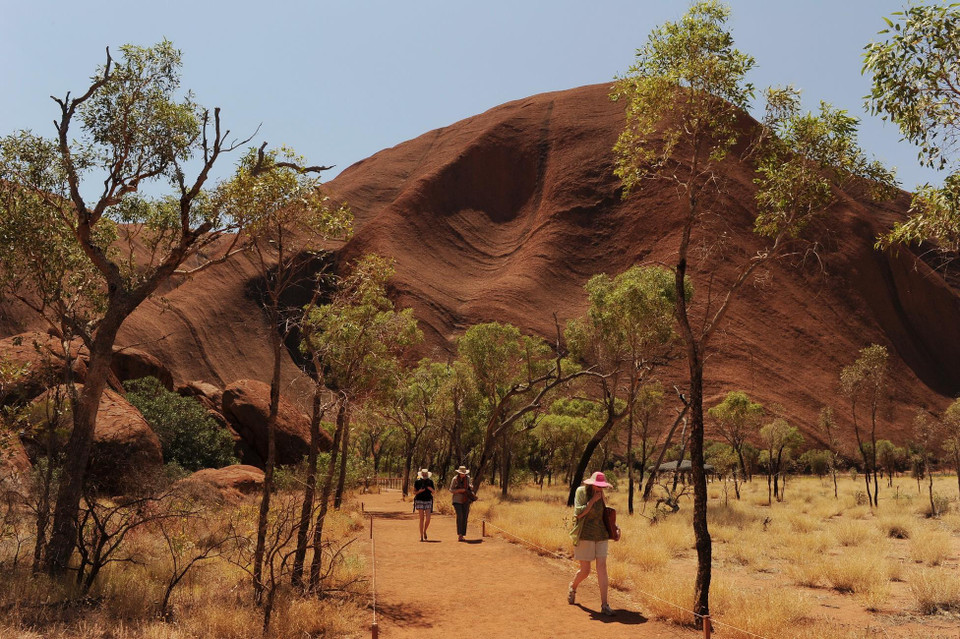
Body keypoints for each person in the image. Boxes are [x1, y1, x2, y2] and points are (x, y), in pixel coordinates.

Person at [568, 471, 614, 616]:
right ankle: (573, 587)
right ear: (592, 483)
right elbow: (578, 513)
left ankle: (605, 605)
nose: (600, 489)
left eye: (602, 486)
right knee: (586, 571)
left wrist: (613, 526)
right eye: (598, 486)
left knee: (602, 567)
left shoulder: (602, 494)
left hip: (601, 534)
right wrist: (592, 500)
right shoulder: (581, 491)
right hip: (585, 535)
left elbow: (603, 515)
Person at [449, 465, 473, 541]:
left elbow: (471, 486)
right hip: (457, 500)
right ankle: (459, 534)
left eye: (464, 473)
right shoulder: (455, 479)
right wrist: (459, 491)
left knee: (465, 517)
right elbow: (451, 490)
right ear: (459, 473)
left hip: (466, 500)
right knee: (460, 516)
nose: (463, 474)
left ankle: (462, 534)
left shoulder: (468, 479)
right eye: (461, 473)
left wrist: (470, 487)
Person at [413, 468, 435, 541]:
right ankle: (421, 536)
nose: (424, 475)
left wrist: (429, 488)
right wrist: (420, 491)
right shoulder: (417, 482)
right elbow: (414, 492)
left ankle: (425, 530)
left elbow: (434, 492)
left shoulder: (430, 482)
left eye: (426, 474)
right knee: (421, 519)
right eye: (423, 474)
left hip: (428, 500)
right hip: (419, 500)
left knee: (428, 518)